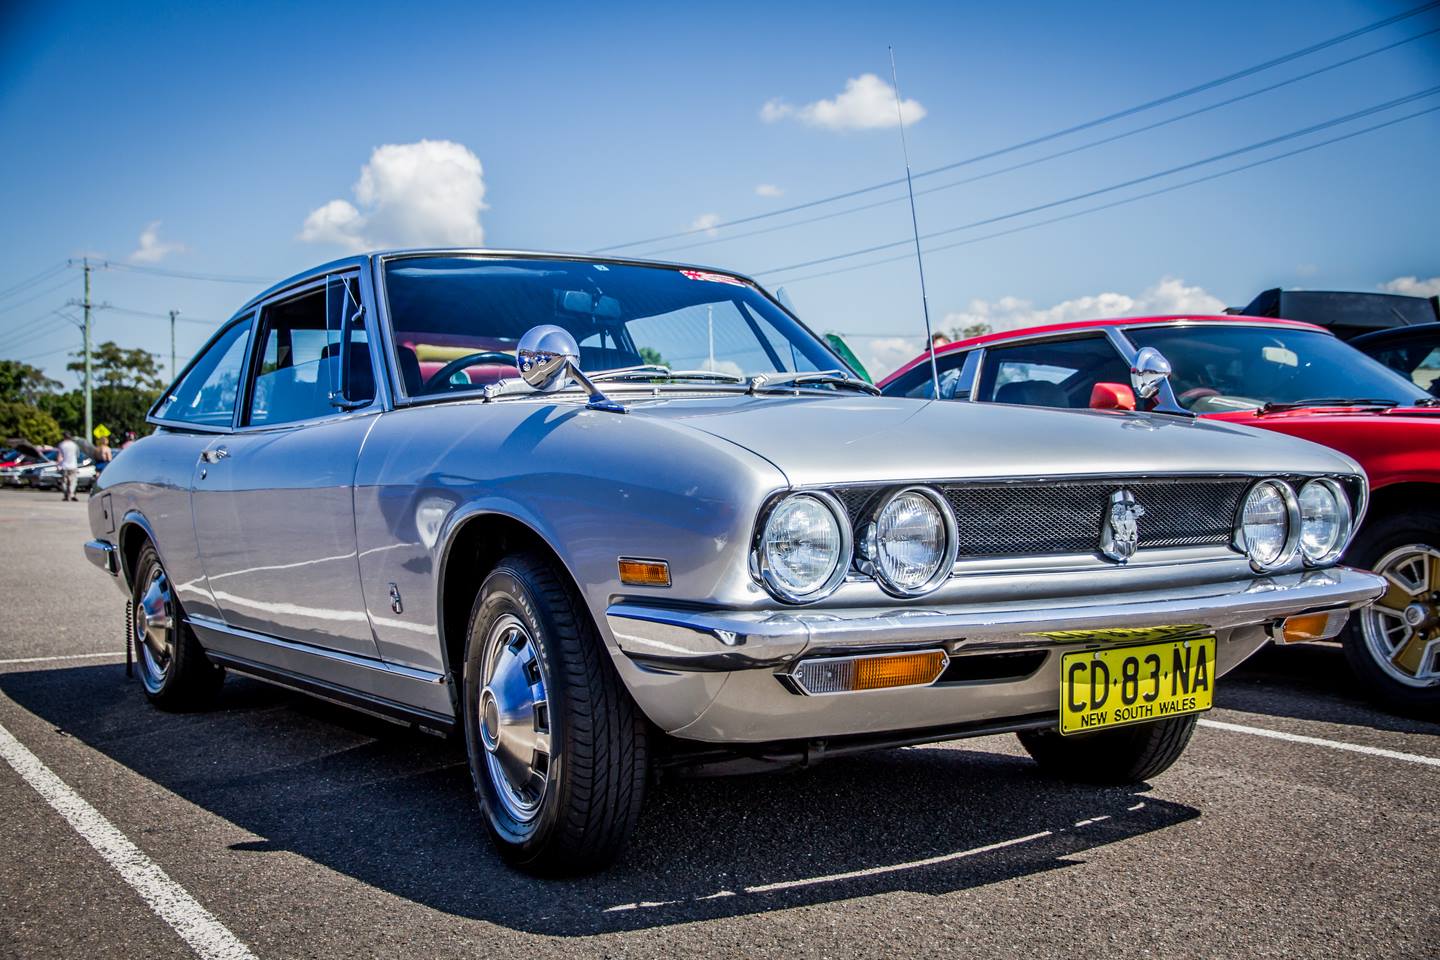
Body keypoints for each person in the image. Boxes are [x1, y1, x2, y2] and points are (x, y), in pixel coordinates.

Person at [56, 434, 81, 502]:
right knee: (73, 481)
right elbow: (78, 455)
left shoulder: (62, 444)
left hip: (64, 465)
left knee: (64, 481)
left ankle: (66, 494)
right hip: (73, 465)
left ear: (64, 437)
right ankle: (72, 494)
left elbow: (60, 456)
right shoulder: (74, 445)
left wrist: (58, 465)